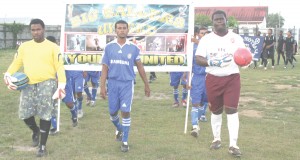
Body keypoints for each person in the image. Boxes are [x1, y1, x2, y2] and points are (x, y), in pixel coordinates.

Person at [3, 19, 66, 157]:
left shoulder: (53, 47)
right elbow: (16, 62)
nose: (35, 32)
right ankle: (35, 130)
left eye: (38, 29)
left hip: (47, 84)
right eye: (33, 30)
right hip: (28, 85)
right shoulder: (24, 47)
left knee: (46, 114)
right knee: (24, 114)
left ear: (44, 29)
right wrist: (8, 73)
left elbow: (59, 66)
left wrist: (62, 84)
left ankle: (42, 147)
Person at [195, 10, 245, 157]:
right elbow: (198, 58)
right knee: (216, 111)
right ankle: (216, 139)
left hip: (232, 78)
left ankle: (233, 145)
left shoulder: (236, 38)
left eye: (221, 19)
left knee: (231, 110)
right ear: (213, 22)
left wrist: (245, 61)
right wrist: (211, 61)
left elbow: (244, 55)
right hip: (213, 78)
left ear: (226, 20)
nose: (219, 22)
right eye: (216, 19)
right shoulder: (206, 39)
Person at [100, 20, 150, 152]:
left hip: (127, 84)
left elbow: (140, 67)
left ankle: (125, 141)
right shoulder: (109, 47)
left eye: (124, 28)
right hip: (112, 83)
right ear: (115, 30)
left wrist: (146, 84)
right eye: (119, 28)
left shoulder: (134, 48)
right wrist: (102, 86)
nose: (122, 30)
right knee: (112, 113)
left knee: (125, 111)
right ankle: (119, 129)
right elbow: (105, 68)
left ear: (128, 30)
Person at [190, 26, 208, 138]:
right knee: (195, 102)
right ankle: (195, 126)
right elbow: (189, 65)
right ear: (198, 34)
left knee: (204, 102)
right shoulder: (193, 48)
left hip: (210, 77)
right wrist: (187, 77)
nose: (204, 35)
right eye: (202, 33)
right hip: (197, 77)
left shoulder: (211, 47)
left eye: (206, 33)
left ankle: (199, 119)